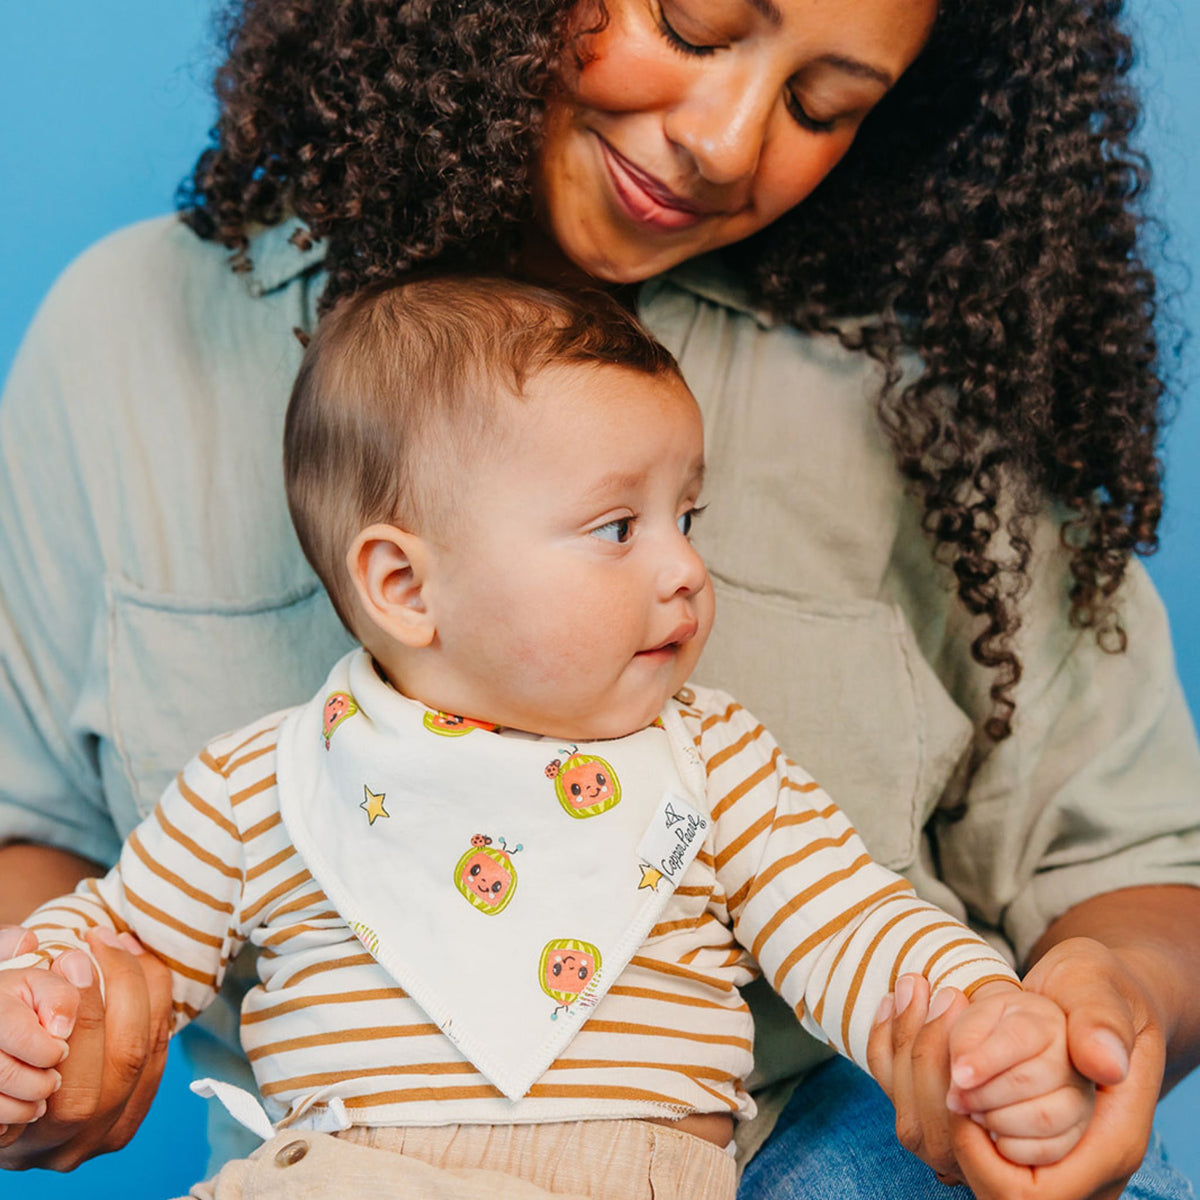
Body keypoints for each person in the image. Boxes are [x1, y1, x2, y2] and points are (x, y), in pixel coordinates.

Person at [0, 0, 1197, 1197]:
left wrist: (1005, 1026)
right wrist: (50, 1018)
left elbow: (882, 935)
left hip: (779, 1152)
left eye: (822, 104)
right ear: (397, 582)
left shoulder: (908, 428)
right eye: (695, 22)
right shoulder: (262, 769)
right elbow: (95, 909)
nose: (727, 142)